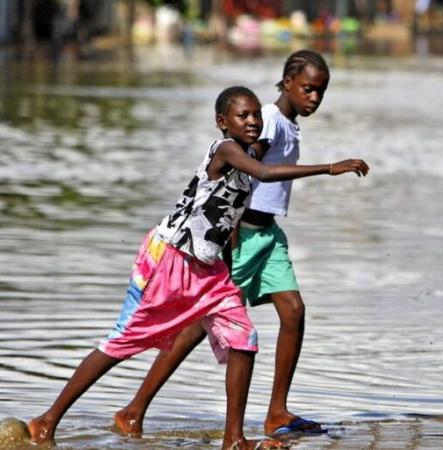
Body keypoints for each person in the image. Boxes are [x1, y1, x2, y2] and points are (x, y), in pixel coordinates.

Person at [26, 85, 369, 450]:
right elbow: (263, 173)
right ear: (222, 122)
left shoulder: (251, 146)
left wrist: (283, 120)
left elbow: (261, 153)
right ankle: (46, 421)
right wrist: (331, 168)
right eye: (244, 116)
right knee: (124, 341)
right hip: (170, 258)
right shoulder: (225, 150)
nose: (253, 121)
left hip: (209, 267)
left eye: (256, 115)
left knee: (243, 340)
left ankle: (234, 440)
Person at [113, 50, 364, 438]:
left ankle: (277, 412)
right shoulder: (269, 122)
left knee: (293, 311)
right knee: (197, 327)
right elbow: (247, 171)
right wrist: (329, 168)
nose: (314, 98)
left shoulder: (288, 123)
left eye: (321, 92)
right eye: (308, 89)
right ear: (288, 83)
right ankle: (134, 408)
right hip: (244, 235)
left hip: (269, 235)